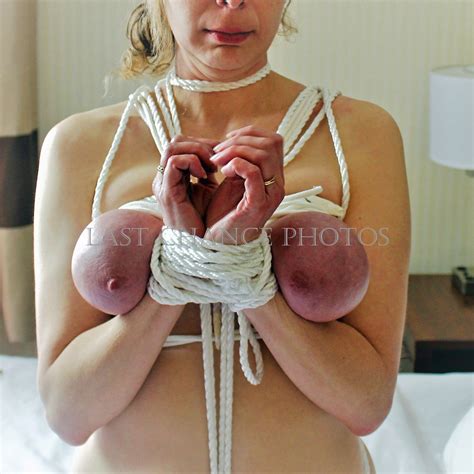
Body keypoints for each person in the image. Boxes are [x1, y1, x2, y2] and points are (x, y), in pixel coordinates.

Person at [34, 0, 411, 472]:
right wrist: (186, 262)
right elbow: (68, 414)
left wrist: (242, 270)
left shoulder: (360, 136)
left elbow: (367, 404)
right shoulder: (80, 146)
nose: (232, 1)